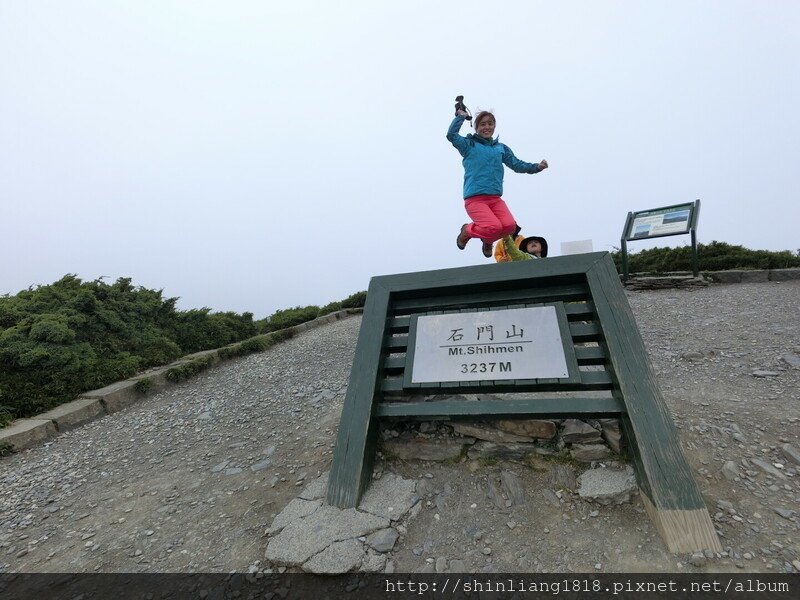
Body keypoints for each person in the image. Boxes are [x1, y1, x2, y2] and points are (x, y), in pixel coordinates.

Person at [447, 109, 548, 257]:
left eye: (490, 124)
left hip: (495, 198)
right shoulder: (469, 145)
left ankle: (487, 239)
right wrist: (460, 117)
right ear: (476, 128)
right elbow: (452, 135)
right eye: (482, 124)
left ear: (494, 126)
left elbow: (516, 164)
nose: (486, 127)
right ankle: (467, 231)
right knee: (493, 227)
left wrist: (536, 167)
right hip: (475, 199)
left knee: (509, 227)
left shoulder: (500, 148)